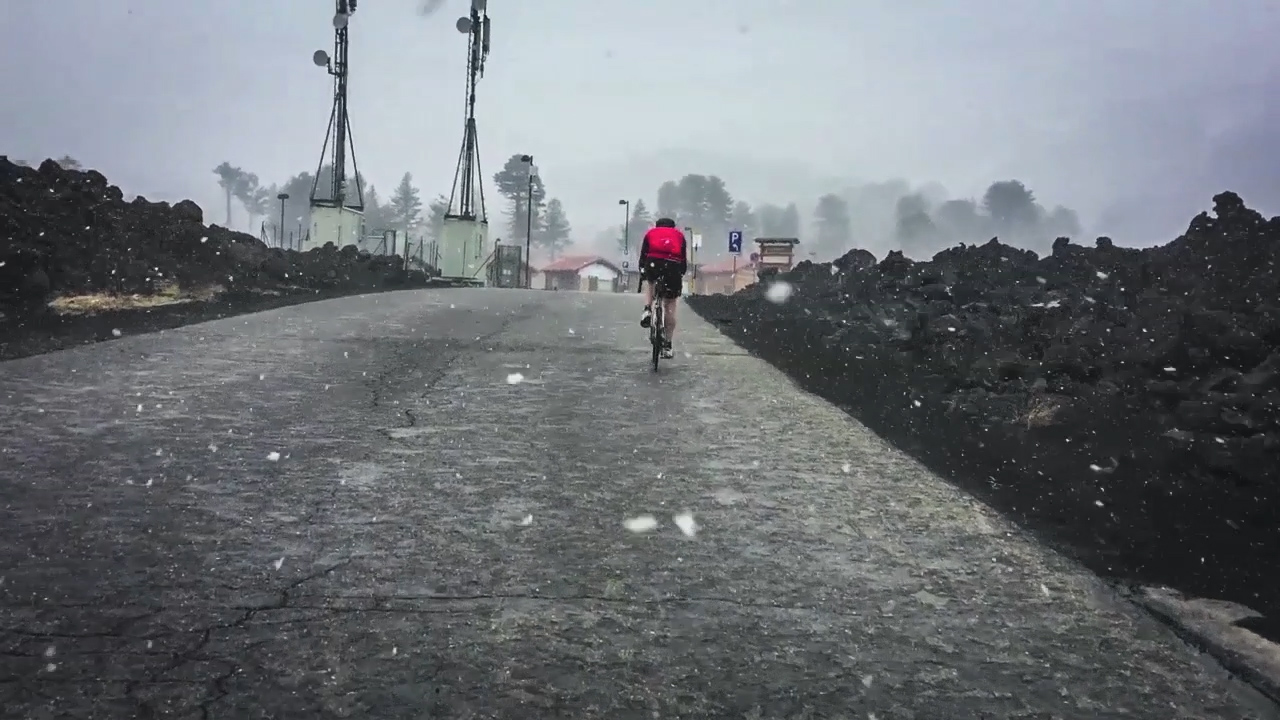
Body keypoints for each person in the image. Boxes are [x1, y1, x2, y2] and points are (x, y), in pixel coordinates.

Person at [638, 217, 687, 359]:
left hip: (653, 262)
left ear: (657, 225)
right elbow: (683, 259)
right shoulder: (679, 236)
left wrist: (643, 270)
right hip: (673, 265)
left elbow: (643, 255)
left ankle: (647, 309)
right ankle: (667, 345)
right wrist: (679, 273)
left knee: (651, 282)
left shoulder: (651, 233)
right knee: (670, 303)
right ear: (673, 227)